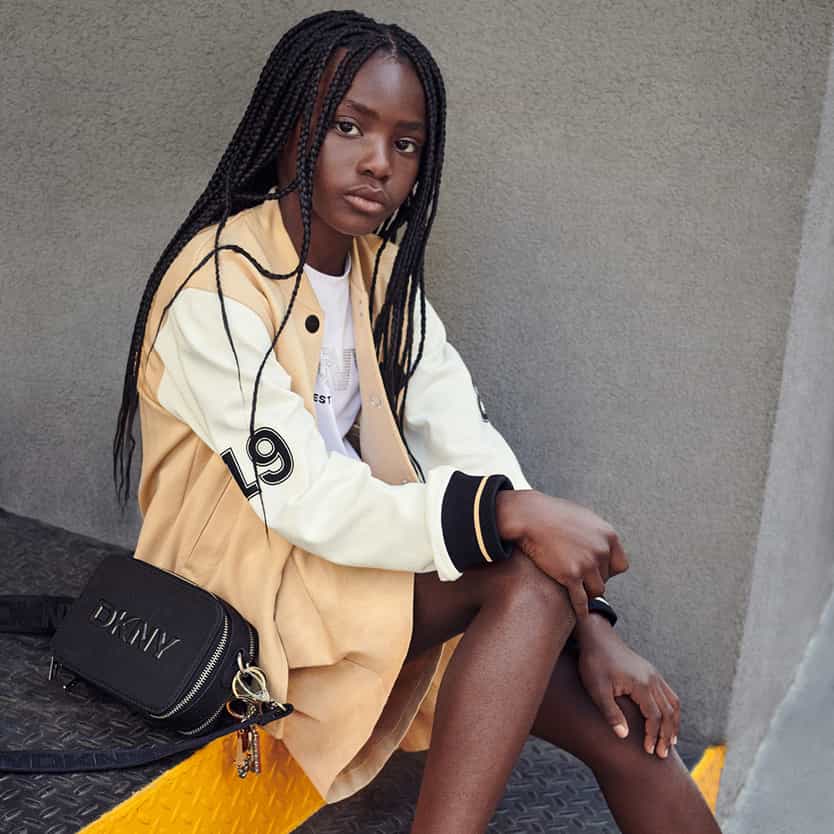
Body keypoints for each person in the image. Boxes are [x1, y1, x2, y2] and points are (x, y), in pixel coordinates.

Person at [113, 10, 722, 833]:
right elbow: (305, 501)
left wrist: (595, 631)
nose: (379, 162)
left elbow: (468, 445)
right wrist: (511, 518)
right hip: (244, 604)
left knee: (629, 731)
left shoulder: (383, 277)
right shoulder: (216, 288)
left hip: (351, 579)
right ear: (289, 125)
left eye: (406, 144)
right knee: (520, 571)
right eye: (349, 127)